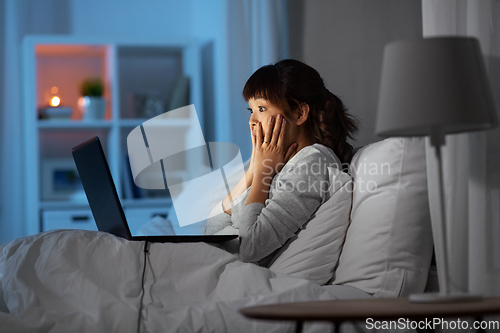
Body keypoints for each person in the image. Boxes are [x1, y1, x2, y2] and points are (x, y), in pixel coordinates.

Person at [204, 59, 357, 266]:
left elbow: (249, 248)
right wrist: (254, 170)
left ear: (300, 113)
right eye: (251, 110)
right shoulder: (281, 163)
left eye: (262, 108)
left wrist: (262, 176)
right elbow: (211, 232)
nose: (252, 121)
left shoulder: (312, 163)